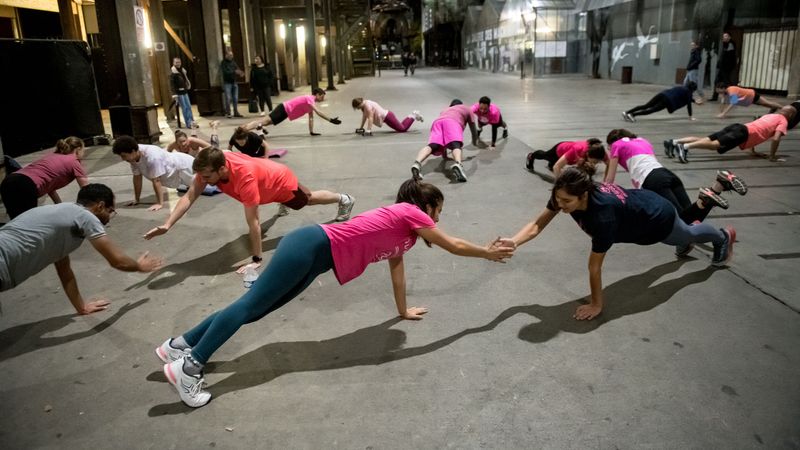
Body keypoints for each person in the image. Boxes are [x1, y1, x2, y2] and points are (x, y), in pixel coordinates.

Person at [154, 178, 515, 407]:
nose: (438, 218)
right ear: (428, 205)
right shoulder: (409, 212)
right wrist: (485, 251)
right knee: (250, 306)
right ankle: (190, 366)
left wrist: (402, 311)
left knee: (257, 309)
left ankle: (179, 344)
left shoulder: (405, 234)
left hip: (317, 258)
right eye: (439, 210)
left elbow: (398, 270)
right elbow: (451, 244)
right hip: (311, 245)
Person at [501, 167, 735, 322]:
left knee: (685, 234)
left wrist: (596, 304)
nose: (560, 205)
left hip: (655, 217)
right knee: (680, 235)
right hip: (643, 205)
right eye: (557, 199)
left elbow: (594, 267)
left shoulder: (601, 217)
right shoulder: (567, 194)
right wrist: (514, 241)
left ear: (583, 196)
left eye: (566, 201)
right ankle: (697, 218)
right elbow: (536, 224)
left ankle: (722, 237)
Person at [143, 147, 355, 271]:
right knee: (262, 200)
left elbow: (253, 223)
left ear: (222, 169)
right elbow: (190, 196)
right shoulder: (213, 163)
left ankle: (344, 199)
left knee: (307, 200)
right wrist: (167, 224)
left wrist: (256, 259)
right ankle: (283, 204)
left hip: (279, 181)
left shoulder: (245, 179)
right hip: (264, 183)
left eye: (207, 176)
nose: (203, 180)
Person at [0, 184, 163, 315]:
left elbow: (65, 272)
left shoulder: (64, 217)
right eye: (110, 210)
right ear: (100, 206)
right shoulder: (85, 216)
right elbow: (117, 261)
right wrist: (139, 266)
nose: (109, 216)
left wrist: (82, 307)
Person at [604, 129, 746, 251]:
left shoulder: (617, 144)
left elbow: (610, 179)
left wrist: (602, 193)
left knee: (681, 222)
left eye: (609, 147)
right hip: (666, 174)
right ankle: (719, 185)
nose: (610, 150)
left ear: (612, 142)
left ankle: (704, 202)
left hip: (651, 180)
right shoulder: (642, 140)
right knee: (692, 218)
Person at [666, 104, 796, 163]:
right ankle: (684, 147)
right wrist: (772, 156)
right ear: (790, 114)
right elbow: (776, 139)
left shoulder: (771, 115)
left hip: (738, 127)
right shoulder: (783, 121)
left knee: (706, 139)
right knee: (715, 145)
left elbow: (759, 128)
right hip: (742, 133)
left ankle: (675, 142)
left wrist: (753, 150)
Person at [0, 137, 88, 219]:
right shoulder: (74, 161)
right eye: (83, 150)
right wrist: (86, 212)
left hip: (8, 181)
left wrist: (60, 206)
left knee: (17, 222)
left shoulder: (52, 156)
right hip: (24, 185)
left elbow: (50, 189)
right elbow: (86, 189)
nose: (83, 153)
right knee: (27, 223)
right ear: (78, 150)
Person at [112, 136, 198, 212]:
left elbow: (156, 180)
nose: (123, 159)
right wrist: (136, 199)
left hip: (185, 166)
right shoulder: (133, 157)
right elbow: (137, 177)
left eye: (123, 156)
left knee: (200, 183)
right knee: (191, 185)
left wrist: (159, 203)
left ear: (133, 151)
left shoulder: (152, 157)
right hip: (175, 174)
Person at [411, 99, 481, 183]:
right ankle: (458, 164)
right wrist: (474, 142)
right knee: (456, 144)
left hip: (437, 122)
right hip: (452, 122)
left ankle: (417, 163)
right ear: (460, 105)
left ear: (451, 106)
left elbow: (444, 140)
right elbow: (473, 129)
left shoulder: (445, 110)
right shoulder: (466, 108)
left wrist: (445, 156)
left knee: (432, 145)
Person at [243, 88, 341, 136]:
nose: (323, 98)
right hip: (284, 108)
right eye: (322, 96)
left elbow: (311, 117)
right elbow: (318, 112)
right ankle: (244, 129)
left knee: (267, 123)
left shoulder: (311, 103)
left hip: (286, 113)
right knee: (264, 121)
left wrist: (311, 132)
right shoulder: (310, 98)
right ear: (317, 94)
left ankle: (245, 128)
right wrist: (330, 120)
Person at [525, 138, 608, 178]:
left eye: (598, 162)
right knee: (545, 156)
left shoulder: (599, 152)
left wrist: (606, 182)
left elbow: (609, 165)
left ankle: (551, 163)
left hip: (571, 157)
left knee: (554, 164)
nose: (595, 163)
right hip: (559, 150)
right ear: (588, 154)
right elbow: (557, 167)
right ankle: (531, 156)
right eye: (594, 161)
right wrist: (560, 186)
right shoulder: (577, 150)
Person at [622, 82, 699, 122]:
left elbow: (688, 99)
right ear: (693, 89)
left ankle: (627, 112)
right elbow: (688, 104)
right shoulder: (688, 92)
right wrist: (690, 116)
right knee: (651, 110)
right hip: (668, 101)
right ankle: (632, 115)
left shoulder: (682, 87)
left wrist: (694, 101)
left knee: (646, 106)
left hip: (662, 94)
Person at [351, 97, 423, 135]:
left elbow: (370, 118)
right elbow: (364, 117)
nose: (357, 109)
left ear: (359, 104)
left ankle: (414, 115)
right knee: (401, 127)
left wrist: (368, 130)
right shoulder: (364, 106)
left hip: (388, 116)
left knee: (402, 129)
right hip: (386, 117)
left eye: (357, 107)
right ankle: (413, 115)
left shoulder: (367, 106)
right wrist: (361, 128)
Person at [714, 83, 783, 118]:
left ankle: (784, 108)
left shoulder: (731, 90)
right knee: (766, 104)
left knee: (768, 103)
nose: (717, 92)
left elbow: (733, 103)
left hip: (752, 95)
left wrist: (723, 114)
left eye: (718, 90)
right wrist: (721, 112)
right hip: (750, 98)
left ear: (723, 88)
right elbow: (723, 103)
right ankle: (775, 109)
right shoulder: (726, 93)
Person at [711, 32, 737, 101]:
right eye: (723, 36)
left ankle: (734, 99)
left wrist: (727, 67)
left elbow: (729, 58)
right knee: (717, 82)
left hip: (726, 68)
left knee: (728, 83)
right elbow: (723, 57)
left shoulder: (730, 44)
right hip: (722, 68)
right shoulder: (725, 45)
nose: (724, 37)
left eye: (726, 36)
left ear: (729, 37)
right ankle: (714, 97)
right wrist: (719, 64)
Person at [170, 57, 195, 129]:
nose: (178, 64)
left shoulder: (182, 71)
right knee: (185, 108)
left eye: (179, 62)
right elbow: (172, 84)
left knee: (189, 107)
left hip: (184, 91)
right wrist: (174, 94)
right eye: (176, 62)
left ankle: (192, 122)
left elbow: (185, 80)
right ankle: (188, 123)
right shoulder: (173, 73)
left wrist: (187, 85)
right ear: (173, 63)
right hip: (179, 93)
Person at [220, 50, 244, 118]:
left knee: (235, 98)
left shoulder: (233, 62)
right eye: (230, 55)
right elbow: (225, 72)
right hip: (227, 83)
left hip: (234, 82)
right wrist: (234, 72)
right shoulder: (223, 63)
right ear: (226, 55)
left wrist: (240, 73)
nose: (231, 57)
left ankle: (236, 112)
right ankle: (228, 112)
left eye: (232, 55)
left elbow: (237, 69)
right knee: (228, 98)